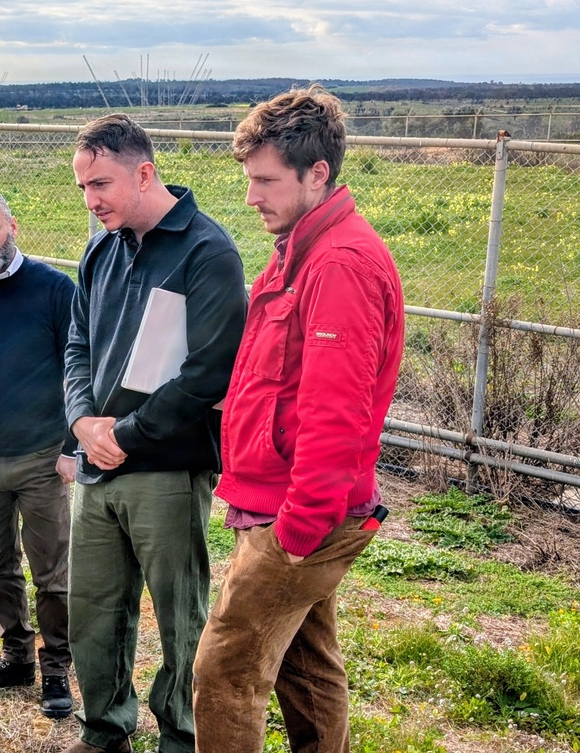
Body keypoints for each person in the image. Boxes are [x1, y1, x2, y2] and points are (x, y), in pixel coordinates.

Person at [192, 85, 406, 753]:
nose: (252, 196)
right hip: (285, 502)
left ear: (317, 174)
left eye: (265, 180)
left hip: (304, 513)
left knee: (224, 669)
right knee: (305, 668)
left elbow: (335, 415)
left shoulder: (338, 262)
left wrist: (296, 529)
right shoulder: (301, 245)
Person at [63, 114, 247, 753]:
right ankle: (105, 728)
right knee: (92, 614)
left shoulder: (207, 251)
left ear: (145, 173)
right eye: (84, 187)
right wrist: (82, 420)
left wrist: (130, 435)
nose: (92, 201)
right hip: (97, 466)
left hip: (167, 469)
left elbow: (207, 373)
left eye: (102, 185)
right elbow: (77, 343)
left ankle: (181, 734)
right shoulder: (99, 250)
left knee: (180, 620)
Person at [0, 186, 77, 719]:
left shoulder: (53, 288)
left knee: (52, 573)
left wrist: (73, 446)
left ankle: (56, 670)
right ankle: (16, 657)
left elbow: (81, 369)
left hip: (42, 455)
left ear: (13, 227)